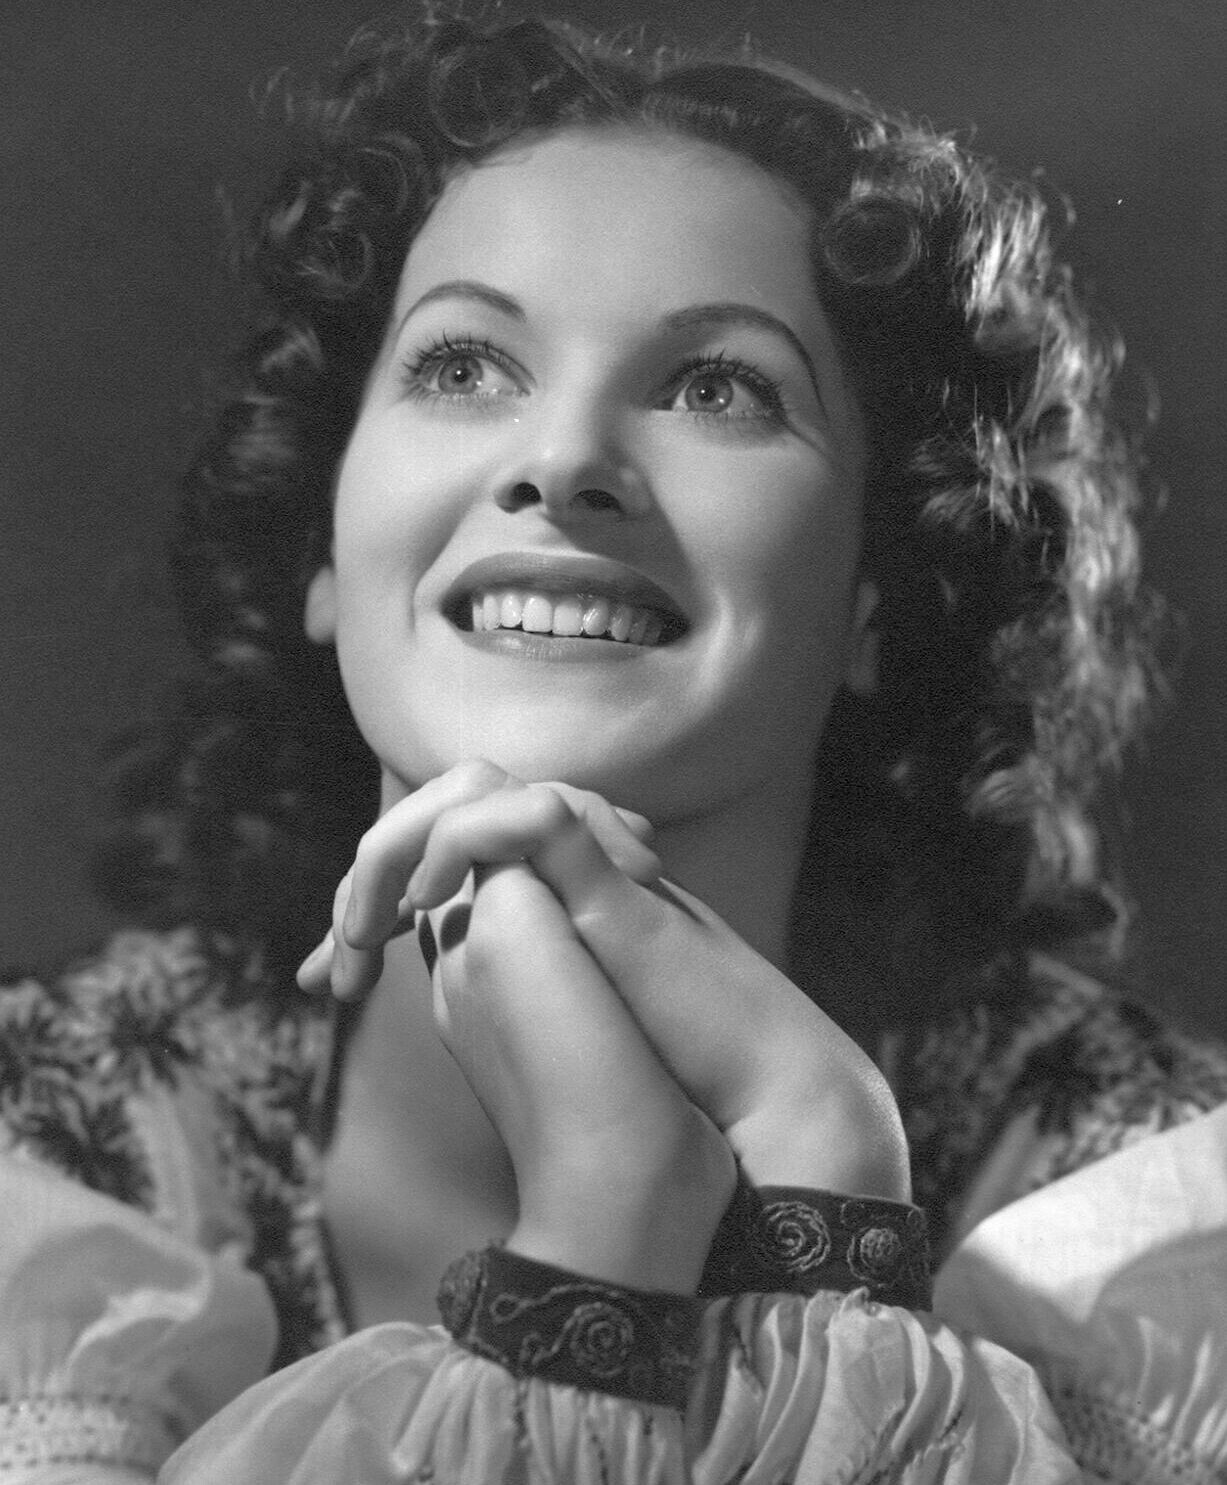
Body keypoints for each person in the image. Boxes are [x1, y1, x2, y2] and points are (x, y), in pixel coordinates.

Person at [2, 7, 1225, 1481]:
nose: (566, 460)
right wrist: (606, 1218)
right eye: (465, 364)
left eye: (718, 389)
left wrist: (822, 1166)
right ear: (325, 545)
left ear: (880, 597)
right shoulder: (51, 1154)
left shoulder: (1144, 1220)